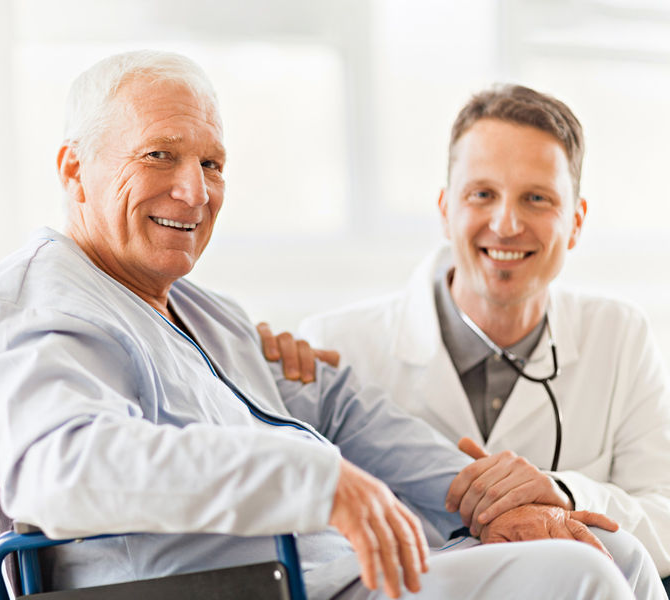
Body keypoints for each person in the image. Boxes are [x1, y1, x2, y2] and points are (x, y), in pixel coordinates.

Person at [0, 52, 662, 599]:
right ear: (74, 169)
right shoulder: (35, 298)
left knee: (615, 553)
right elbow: (62, 469)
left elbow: (337, 404)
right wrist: (313, 477)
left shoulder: (201, 310)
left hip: (326, 570)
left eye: (211, 163)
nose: (194, 191)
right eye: (159, 154)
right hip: (227, 588)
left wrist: (475, 496)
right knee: (580, 580)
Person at [261, 84, 670, 581]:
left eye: (537, 198)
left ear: (577, 222)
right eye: (482, 194)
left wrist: (562, 493)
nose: (506, 222)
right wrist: (255, 372)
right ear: (445, 209)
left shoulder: (619, 336)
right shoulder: (335, 344)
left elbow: (665, 516)